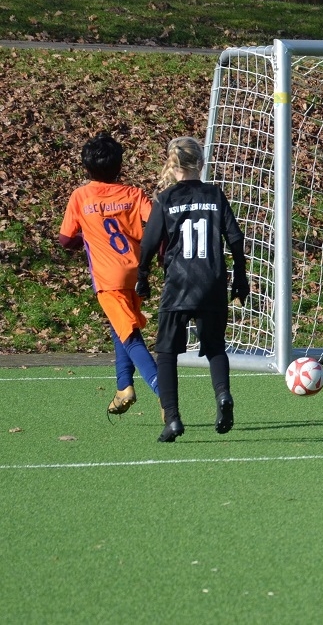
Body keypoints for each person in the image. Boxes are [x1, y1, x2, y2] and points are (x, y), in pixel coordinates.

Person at [136, 137, 250, 443]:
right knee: (215, 347)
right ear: (200, 163)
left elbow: (149, 243)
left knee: (166, 353)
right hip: (212, 282)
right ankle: (223, 395)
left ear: (172, 166)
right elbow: (235, 238)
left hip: (178, 284)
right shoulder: (215, 194)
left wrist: (142, 275)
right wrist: (240, 277)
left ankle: (173, 418)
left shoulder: (165, 199)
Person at [58, 131, 159, 415]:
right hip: (136, 273)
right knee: (120, 327)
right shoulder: (133, 194)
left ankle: (164, 393)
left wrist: (87, 238)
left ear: (86, 167)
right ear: (119, 166)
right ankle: (124, 386)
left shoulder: (80, 196)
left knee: (131, 337)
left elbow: (65, 239)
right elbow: (157, 224)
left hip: (109, 279)